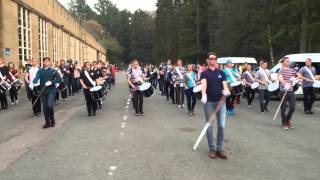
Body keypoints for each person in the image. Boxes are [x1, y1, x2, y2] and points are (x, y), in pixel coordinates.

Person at [201, 52, 230, 159]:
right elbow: (204, 85)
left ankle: (219, 148)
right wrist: (203, 95)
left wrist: (226, 91)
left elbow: (225, 85)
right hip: (209, 102)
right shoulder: (204, 73)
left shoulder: (221, 73)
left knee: (221, 126)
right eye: (211, 59)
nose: (213, 60)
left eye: (215, 59)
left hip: (221, 102)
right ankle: (212, 149)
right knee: (209, 127)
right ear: (208, 60)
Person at [31, 57, 62, 128]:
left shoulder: (53, 71)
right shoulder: (40, 71)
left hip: (51, 90)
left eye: (47, 61)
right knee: (45, 108)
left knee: (49, 105)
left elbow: (59, 79)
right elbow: (37, 77)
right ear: (43, 62)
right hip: (43, 91)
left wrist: (51, 82)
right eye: (44, 61)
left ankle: (52, 119)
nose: (46, 63)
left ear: (50, 62)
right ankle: (47, 122)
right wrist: (34, 82)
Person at [278, 57, 302, 130]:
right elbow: (280, 78)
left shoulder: (292, 70)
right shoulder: (281, 70)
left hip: (291, 91)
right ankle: (284, 123)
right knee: (283, 108)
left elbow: (300, 76)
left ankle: (287, 120)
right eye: (286, 61)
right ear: (283, 62)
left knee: (292, 107)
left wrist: (294, 79)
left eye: (289, 61)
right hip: (283, 90)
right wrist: (285, 83)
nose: (288, 62)